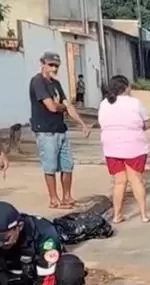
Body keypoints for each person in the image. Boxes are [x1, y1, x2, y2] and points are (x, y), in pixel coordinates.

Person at [29, 52, 91, 210]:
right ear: (42, 63)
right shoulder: (38, 82)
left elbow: (67, 106)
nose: (54, 68)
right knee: (49, 166)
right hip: (45, 131)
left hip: (60, 129)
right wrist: (62, 106)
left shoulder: (56, 85)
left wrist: (82, 124)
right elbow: (51, 106)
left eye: (56, 65)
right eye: (50, 65)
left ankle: (67, 197)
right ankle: (54, 199)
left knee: (67, 165)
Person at [98, 75, 150, 223]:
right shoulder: (135, 103)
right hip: (134, 146)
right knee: (136, 180)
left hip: (111, 147)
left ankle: (117, 215)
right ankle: (143, 214)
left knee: (119, 182)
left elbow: (102, 123)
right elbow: (148, 123)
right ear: (126, 87)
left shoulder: (104, 104)